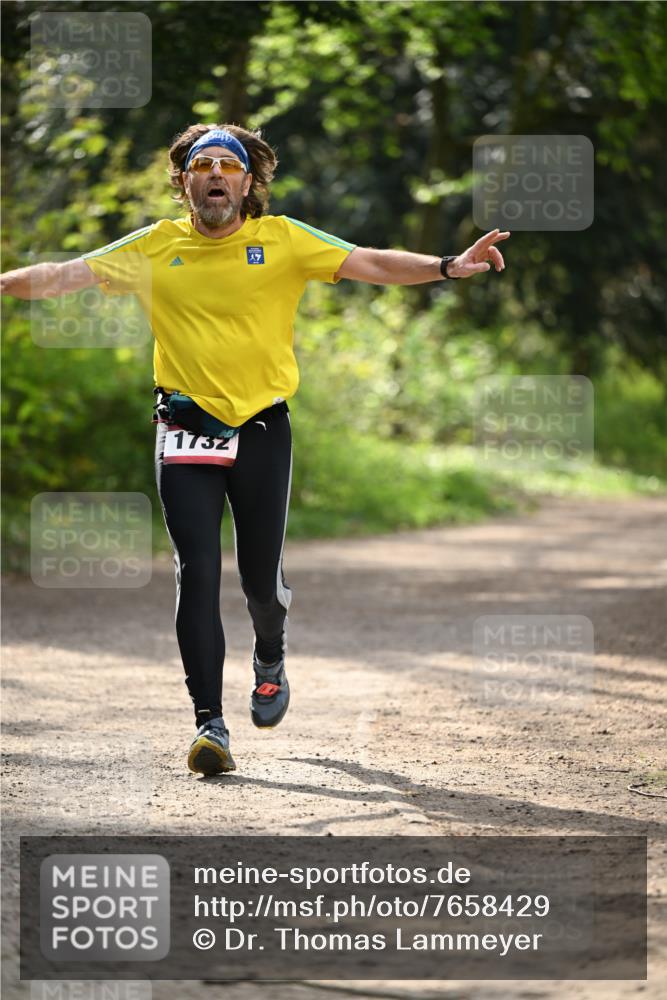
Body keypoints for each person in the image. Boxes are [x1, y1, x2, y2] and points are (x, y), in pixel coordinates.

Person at [1, 123, 509, 777]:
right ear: (183, 182)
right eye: (201, 165)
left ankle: (269, 652)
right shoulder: (155, 246)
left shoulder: (284, 240)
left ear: (248, 183)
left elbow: (371, 262)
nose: (214, 173)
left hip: (263, 428)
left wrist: (446, 266)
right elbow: (62, 276)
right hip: (185, 424)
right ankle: (209, 724)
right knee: (197, 572)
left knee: (259, 582)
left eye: (228, 165)